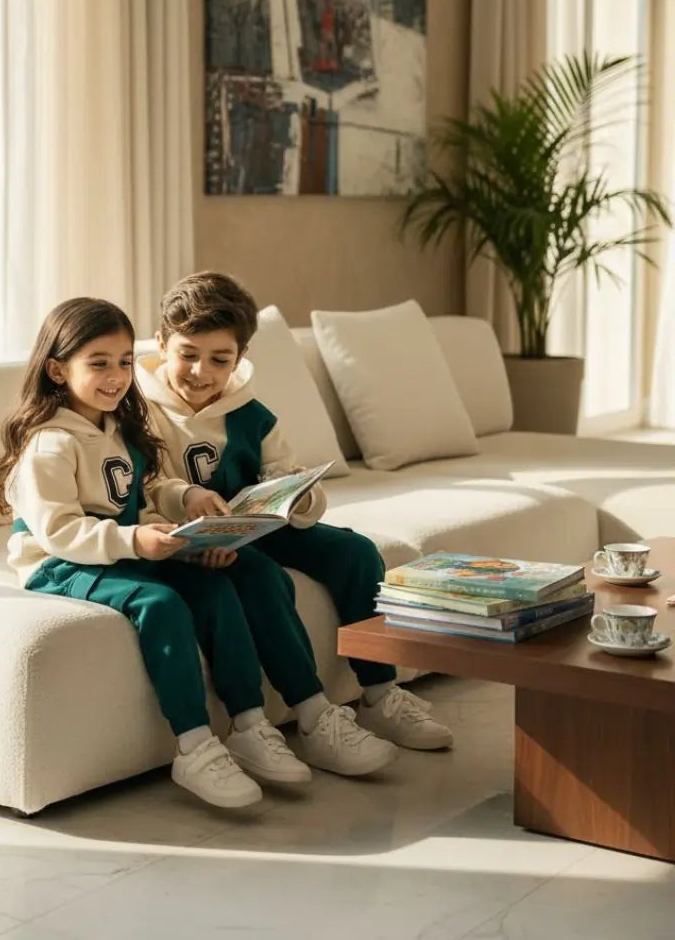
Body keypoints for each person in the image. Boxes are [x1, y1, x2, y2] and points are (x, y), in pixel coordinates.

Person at [0, 297, 375, 810]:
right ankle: (194, 746)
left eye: (124, 361)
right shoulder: (51, 443)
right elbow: (60, 532)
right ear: (58, 370)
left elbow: (144, 494)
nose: (116, 376)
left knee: (216, 587)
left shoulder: (116, 429)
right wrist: (136, 541)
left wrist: (180, 517)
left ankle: (250, 723)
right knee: (161, 605)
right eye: (98, 363)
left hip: (119, 552)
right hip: (60, 566)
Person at [136, 272, 454, 753]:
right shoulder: (140, 412)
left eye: (220, 359)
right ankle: (312, 714)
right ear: (162, 343)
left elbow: (285, 473)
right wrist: (188, 511)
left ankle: (380, 693)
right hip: (192, 542)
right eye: (188, 355)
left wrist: (300, 496)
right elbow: (144, 485)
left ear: (240, 357)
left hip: (258, 524)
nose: (201, 372)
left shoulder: (252, 412)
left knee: (356, 552)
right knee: (262, 578)